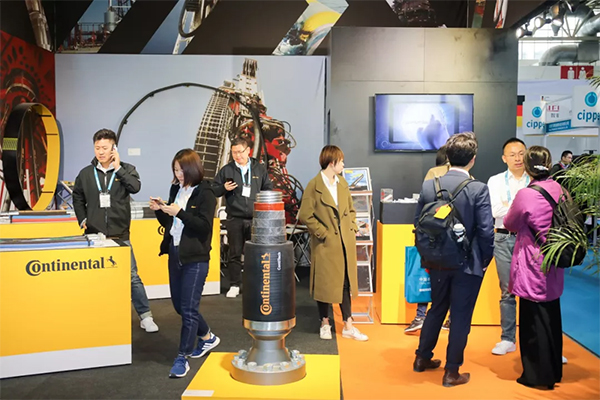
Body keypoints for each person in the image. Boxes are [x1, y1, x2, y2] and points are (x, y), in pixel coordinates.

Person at [412, 132, 494, 387]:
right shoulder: (478, 189)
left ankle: (421, 358)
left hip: (436, 260)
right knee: (460, 317)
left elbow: (417, 223)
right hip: (467, 263)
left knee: (436, 308)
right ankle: (451, 372)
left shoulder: (430, 186)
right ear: (473, 159)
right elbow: (486, 231)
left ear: (447, 157)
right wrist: (484, 260)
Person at [73, 128, 158, 333]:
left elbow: (135, 187)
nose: (101, 152)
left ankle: (145, 316)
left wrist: (118, 168)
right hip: (93, 235)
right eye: (97, 147)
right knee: (94, 277)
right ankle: (97, 314)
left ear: (114, 148)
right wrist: (83, 218)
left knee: (132, 277)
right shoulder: (86, 173)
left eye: (105, 147)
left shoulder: (127, 169)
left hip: (120, 234)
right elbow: (77, 197)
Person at [150, 149, 220, 378]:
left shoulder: (206, 192)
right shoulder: (176, 189)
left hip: (196, 258)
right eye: (175, 170)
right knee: (180, 306)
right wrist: (160, 210)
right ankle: (207, 337)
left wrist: (179, 212)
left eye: (181, 170)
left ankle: (182, 357)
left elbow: (203, 227)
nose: (178, 175)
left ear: (192, 169)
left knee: (189, 310)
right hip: (175, 252)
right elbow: (170, 223)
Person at [504, 146, 565, 389]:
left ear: (528, 167)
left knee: (533, 320)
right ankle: (554, 370)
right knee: (552, 317)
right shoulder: (559, 189)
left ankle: (538, 376)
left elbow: (510, 222)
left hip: (533, 262)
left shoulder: (526, 194)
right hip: (555, 259)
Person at [298, 145, 368, 342]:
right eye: (341, 161)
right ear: (331, 162)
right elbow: (305, 214)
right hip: (326, 244)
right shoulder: (314, 185)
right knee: (325, 284)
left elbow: (351, 210)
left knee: (345, 282)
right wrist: (323, 233)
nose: (343, 164)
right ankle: (325, 323)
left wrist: (352, 226)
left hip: (345, 242)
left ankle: (348, 325)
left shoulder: (342, 183)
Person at [213, 137, 273, 298]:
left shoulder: (259, 168)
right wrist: (223, 188)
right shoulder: (227, 170)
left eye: (240, 152)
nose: (237, 155)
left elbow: (268, 188)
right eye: (234, 152)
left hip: (256, 218)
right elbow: (214, 189)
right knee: (234, 253)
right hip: (235, 218)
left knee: (256, 253)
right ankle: (234, 285)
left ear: (248, 151)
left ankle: (256, 284)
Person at [486, 138, 529, 355]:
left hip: (530, 240)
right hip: (503, 239)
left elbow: (538, 210)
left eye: (521, 153)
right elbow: (495, 211)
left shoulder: (535, 179)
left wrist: (509, 205)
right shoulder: (495, 181)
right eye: (512, 155)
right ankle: (508, 339)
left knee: (533, 292)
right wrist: (524, 207)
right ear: (504, 158)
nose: (517, 158)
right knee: (507, 291)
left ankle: (535, 342)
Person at [406, 145, 451, 333]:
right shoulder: (467, 176)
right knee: (453, 278)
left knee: (425, 274)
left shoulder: (433, 172)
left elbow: (424, 203)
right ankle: (451, 319)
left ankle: (421, 316)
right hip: (454, 236)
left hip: (433, 232)